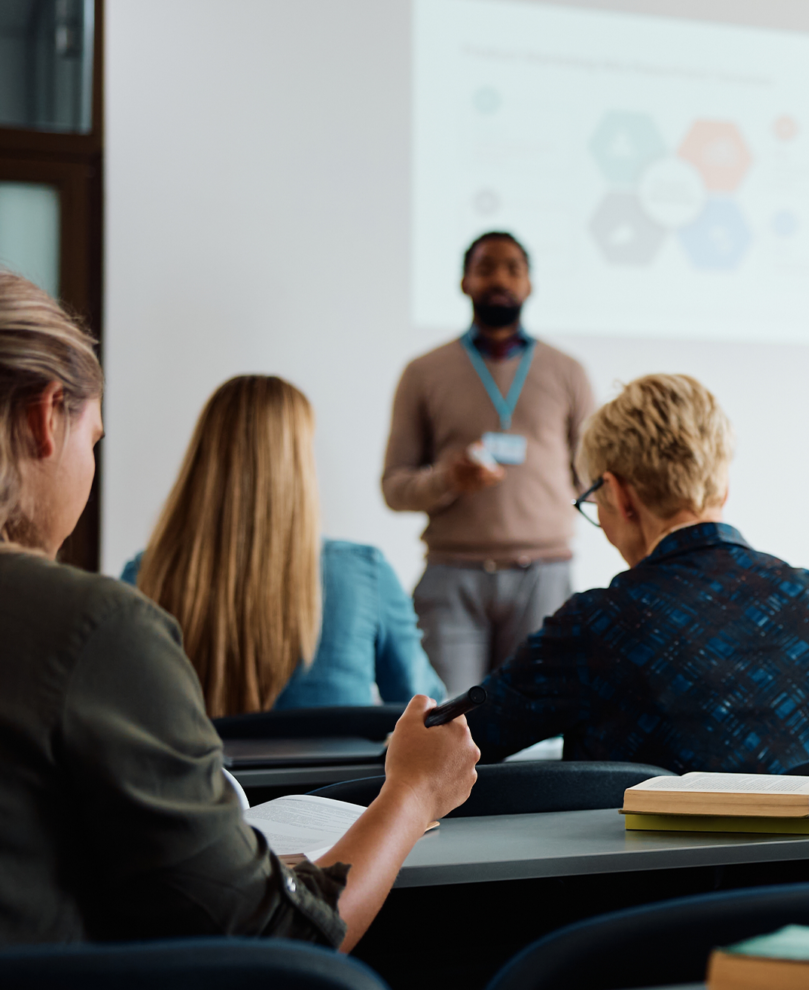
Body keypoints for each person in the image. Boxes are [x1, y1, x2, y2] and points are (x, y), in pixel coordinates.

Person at [0, 272, 477, 950]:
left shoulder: (143, 576)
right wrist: (414, 793)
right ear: (46, 418)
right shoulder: (94, 627)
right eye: (95, 438)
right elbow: (274, 934)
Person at [465, 373, 809, 772]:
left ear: (618, 494)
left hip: (646, 862)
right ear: (723, 484)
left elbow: (452, 745)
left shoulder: (596, 624)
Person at [120, 375, 444, 715]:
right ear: (299, 463)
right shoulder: (365, 573)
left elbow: (119, 707)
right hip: (338, 771)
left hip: (201, 771)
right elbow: (427, 707)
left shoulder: (145, 577)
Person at [382, 231, 597, 694]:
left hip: (543, 575)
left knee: (538, 731)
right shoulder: (423, 372)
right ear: (464, 282)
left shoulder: (568, 371)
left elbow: (594, 479)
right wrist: (447, 479)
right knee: (446, 725)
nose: (499, 278)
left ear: (530, 284)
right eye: (485, 268)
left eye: (512, 268)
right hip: (452, 578)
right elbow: (394, 487)